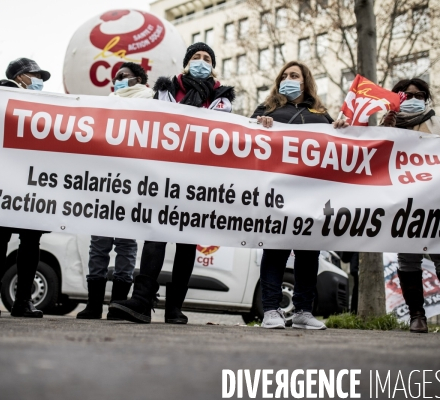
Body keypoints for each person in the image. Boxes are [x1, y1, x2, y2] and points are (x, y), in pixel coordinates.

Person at [109, 43, 235, 324]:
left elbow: (218, 131)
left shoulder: (222, 97)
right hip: (164, 175)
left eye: (206, 58)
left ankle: (174, 307)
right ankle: (141, 300)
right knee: (156, 233)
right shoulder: (165, 89)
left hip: (199, 180)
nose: (201, 62)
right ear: (186, 62)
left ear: (212, 66)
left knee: (187, 242)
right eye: (196, 57)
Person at [373, 78, 440, 335]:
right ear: (397, 98)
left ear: (426, 98)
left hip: (436, 204)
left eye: (419, 94)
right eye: (406, 95)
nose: (413, 98)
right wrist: (384, 130)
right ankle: (417, 317)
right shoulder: (387, 123)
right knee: (408, 260)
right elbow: (372, 159)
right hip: (403, 206)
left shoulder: (437, 121)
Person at [251, 61, 331, 330]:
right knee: (275, 251)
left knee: (309, 254)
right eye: (284, 75)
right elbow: (246, 142)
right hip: (277, 194)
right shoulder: (266, 110)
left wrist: (343, 129)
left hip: (310, 195)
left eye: (294, 75)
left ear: (305, 81)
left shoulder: (321, 115)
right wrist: (258, 126)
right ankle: (271, 310)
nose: (288, 79)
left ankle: (302, 311)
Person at [76, 62, 150, 320]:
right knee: (99, 246)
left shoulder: (151, 103)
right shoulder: (106, 104)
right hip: (106, 184)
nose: (117, 80)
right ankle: (93, 305)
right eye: (115, 76)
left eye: (123, 76)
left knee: (126, 247)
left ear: (138, 79)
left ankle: (119, 304)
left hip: (132, 185)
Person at [0, 58, 51, 319]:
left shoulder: (48, 105)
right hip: (4, 179)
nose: (39, 81)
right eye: (35, 75)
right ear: (20, 77)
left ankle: (23, 301)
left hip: (34, 182)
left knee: (31, 240)